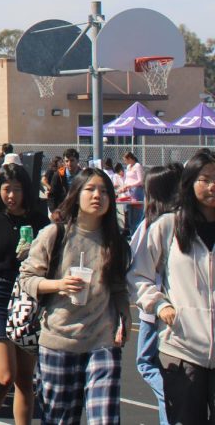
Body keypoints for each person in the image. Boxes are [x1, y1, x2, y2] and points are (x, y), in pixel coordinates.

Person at [18, 168, 130, 425]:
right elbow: (26, 279)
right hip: (60, 340)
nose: (97, 196)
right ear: (76, 194)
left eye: (104, 191)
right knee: (59, 419)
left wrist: (125, 314)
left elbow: (119, 287)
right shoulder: (54, 234)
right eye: (90, 189)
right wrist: (59, 284)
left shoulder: (116, 241)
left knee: (105, 419)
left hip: (102, 340)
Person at [130, 156, 215, 424]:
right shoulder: (168, 226)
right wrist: (159, 304)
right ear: (189, 183)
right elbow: (138, 275)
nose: (213, 186)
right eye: (206, 179)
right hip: (182, 348)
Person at [0, 164, 50, 425]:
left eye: (17, 189)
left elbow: (51, 253)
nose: (12, 195)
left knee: (25, 378)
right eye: (7, 189)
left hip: (28, 295)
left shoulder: (39, 220)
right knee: (5, 374)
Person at [124, 163, 181, 425]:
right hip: (166, 308)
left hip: (154, 310)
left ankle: (174, 401)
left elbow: (135, 264)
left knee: (147, 364)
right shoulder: (182, 221)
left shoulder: (155, 224)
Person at [49, 148, 81, 216]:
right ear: (63, 162)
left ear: (77, 161)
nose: (69, 163)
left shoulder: (83, 175)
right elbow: (52, 195)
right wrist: (54, 212)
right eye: (66, 161)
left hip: (79, 213)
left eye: (72, 160)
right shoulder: (58, 175)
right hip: (62, 213)